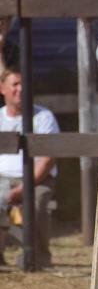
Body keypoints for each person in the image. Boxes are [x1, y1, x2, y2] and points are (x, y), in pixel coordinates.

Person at [0, 68, 59, 269]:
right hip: (3, 179)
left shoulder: (43, 117)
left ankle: (39, 258)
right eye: (15, 84)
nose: (20, 89)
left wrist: (23, 188)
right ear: (2, 89)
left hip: (36, 180)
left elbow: (47, 160)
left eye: (24, 84)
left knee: (37, 202)